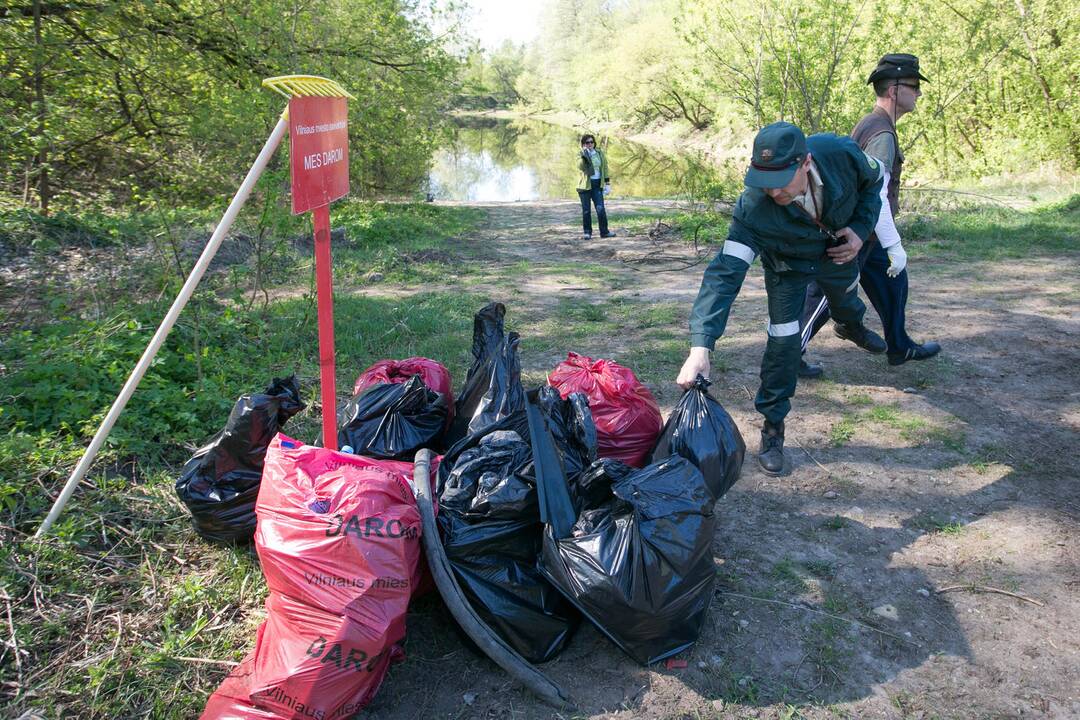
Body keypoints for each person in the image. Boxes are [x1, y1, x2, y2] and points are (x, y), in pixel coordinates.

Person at [676, 121, 887, 475]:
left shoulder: (841, 154)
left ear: (806, 162)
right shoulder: (753, 208)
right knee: (784, 339)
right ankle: (773, 426)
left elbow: (875, 182)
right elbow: (724, 275)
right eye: (765, 182)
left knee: (847, 300)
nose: (773, 193)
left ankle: (850, 325)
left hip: (838, 255)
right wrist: (701, 347)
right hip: (788, 268)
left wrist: (861, 230)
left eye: (780, 182)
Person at [797, 53, 940, 378]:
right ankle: (789, 355)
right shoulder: (882, 135)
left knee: (894, 282)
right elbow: (876, 193)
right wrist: (894, 244)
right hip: (857, 234)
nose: (918, 93)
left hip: (868, 233)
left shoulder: (872, 122)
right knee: (822, 299)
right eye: (915, 86)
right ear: (894, 90)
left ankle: (899, 344)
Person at [576, 134, 615, 240]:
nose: (590, 144)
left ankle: (604, 232)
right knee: (586, 210)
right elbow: (580, 166)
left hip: (597, 185)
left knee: (600, 209)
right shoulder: (580, 154)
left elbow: (605, 168)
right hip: (585, 186)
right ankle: (587, 232)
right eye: (587, 142)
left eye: (591, 142)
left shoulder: (599, 153)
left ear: (594, 143)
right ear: (583, 144)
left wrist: (607, 184)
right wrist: (585, 154)